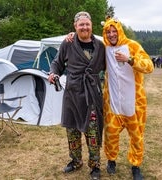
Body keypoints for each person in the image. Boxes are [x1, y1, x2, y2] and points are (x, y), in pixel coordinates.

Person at [48, 11, 106, 180]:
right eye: (81, 24)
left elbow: (110, 65)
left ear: (91, 25)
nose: (84, 27)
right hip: (72, 92)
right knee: (72, 130)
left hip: (92, 93)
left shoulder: (100, 46)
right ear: (75, 26)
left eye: (87, 24)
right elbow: (57, 63)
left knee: (93, 130)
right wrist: (53, 73)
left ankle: (95, 166)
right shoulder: (68, 43)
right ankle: (76, 161)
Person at [102, 17, 154, 180]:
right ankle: (111, 161)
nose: (111, 35)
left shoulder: (132, 45)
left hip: (133, 104)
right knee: (110, 135)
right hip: (113, 104)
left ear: (119, 31)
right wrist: (71, 36)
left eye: (113, 31)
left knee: (137, 137)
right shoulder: (104, 48)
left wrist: (129, 60)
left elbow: (149, 66)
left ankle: (136, 165)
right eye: (108, 32)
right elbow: (86, 40)